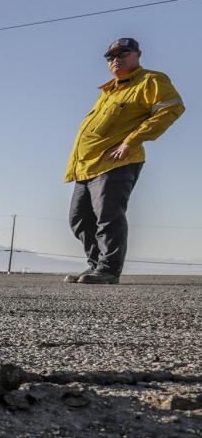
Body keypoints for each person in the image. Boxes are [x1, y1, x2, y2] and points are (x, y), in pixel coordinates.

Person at [64, 38, 185, 284]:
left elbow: (171, 108)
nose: (115, 59)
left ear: (138, 54)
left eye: (122, 53)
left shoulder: (150, 81)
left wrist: (132, 141)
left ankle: (108, 270)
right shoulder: (109, 91)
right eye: (110, 56)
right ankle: (96, 265)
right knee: (79, 219)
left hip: (116, 162)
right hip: (86, 166)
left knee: (108, 216)